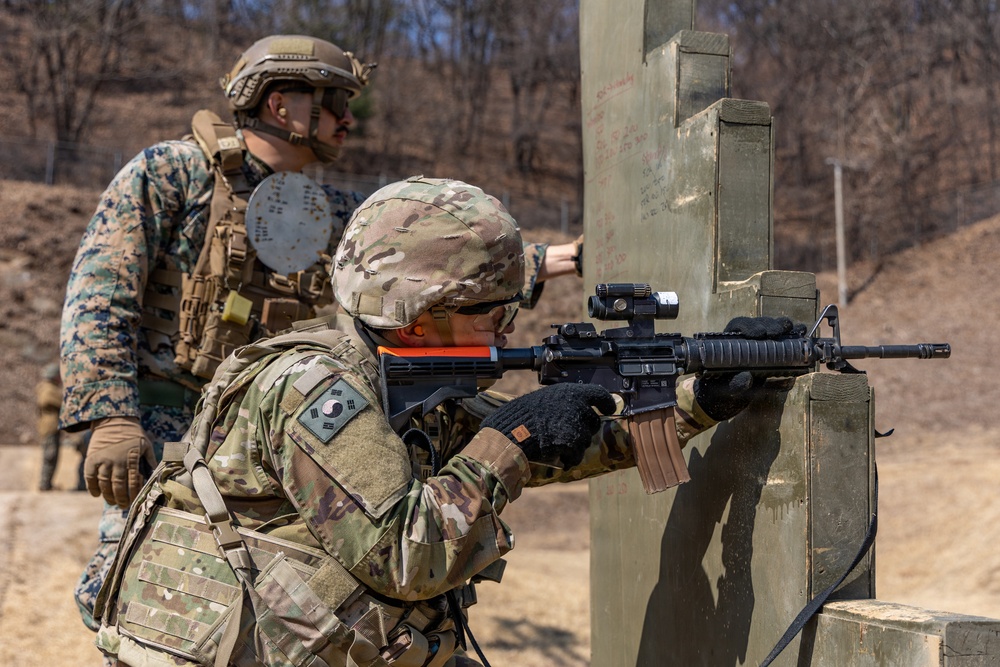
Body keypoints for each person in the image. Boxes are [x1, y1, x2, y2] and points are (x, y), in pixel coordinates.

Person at [91, 177, 781, 667]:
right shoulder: (316, 390)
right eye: (491, 309)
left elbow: (546, 447)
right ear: (422, 315)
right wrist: (509, 437)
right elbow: (411, 555)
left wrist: (699, 399)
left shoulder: (398, 374)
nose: (508, 325)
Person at [59, 35, 579, 636]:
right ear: (282, 105)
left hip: (289, 427)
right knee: (147, 588)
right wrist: (110, 416)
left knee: (272, 602)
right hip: (167, 423)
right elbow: (100, 295)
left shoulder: (329, 208)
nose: (348, 118)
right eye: (334, 102)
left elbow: (428, 267)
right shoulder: (172, 175)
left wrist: (560, 257)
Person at [36, 362, 62, 491]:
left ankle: (47, 483)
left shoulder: (50, 387)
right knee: (50, 456)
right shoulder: (48, 388)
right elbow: (49, 400)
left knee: (53, 455)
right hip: (50, 427)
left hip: (52, 426)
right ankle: (44, 484)